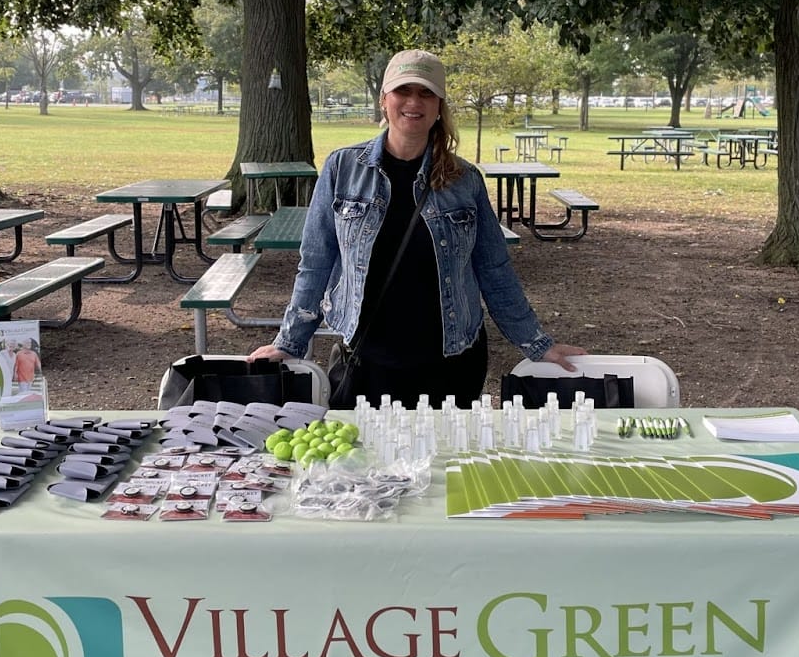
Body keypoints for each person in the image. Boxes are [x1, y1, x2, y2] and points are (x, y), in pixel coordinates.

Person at [249, 49, 584, 406]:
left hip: (452, 362)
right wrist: (290, 341)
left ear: (440, 106)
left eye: (426, 93)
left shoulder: (465, 180)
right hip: (367, 362)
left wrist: (535, 343)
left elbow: (494, 269)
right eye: (403, 91)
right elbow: (315, 262)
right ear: (384, 100)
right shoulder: (341, 169)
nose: (413, 102)